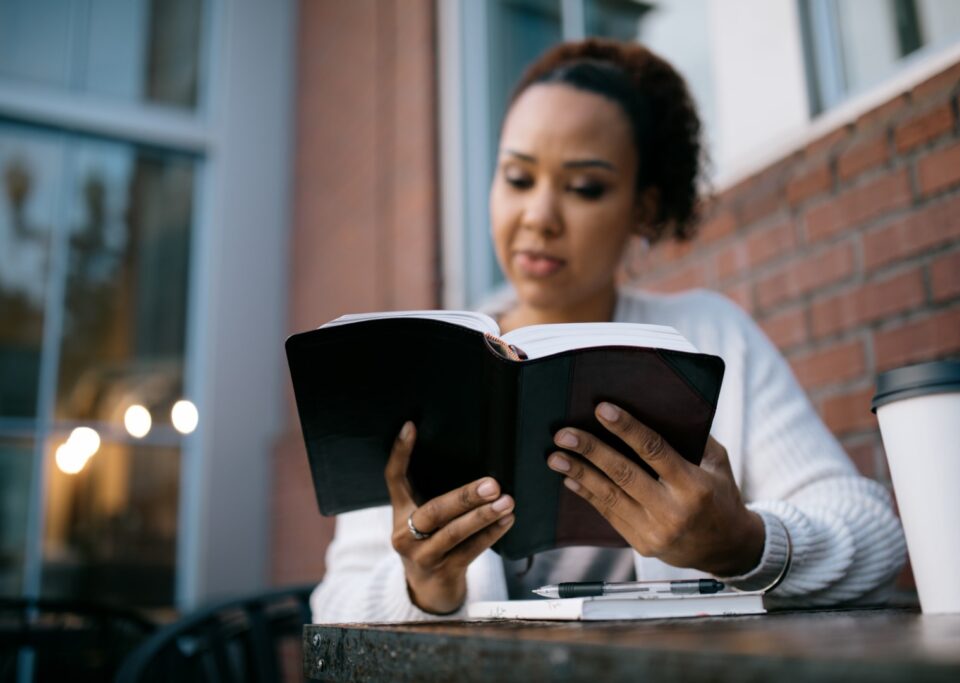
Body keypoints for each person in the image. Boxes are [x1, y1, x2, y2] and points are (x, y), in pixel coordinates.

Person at [311, 38, 906, 622]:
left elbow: (875, 534)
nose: (539, 217)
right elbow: (332, 607)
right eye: (517, 178)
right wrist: (423, 587)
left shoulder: (710, 335)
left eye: (584, 188)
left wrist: (742, 542)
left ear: (642, 209)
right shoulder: (426, 361)